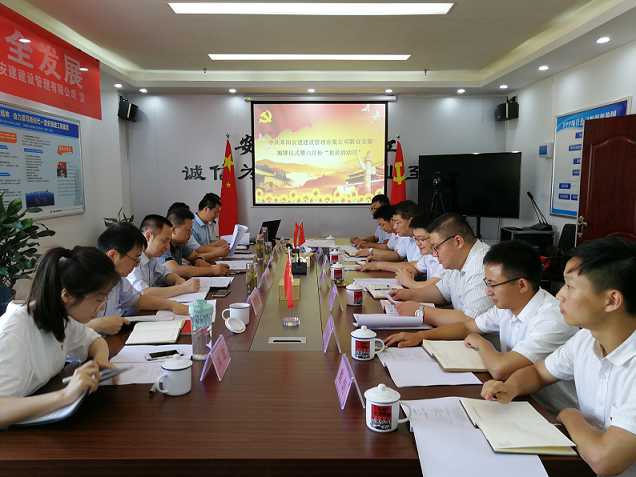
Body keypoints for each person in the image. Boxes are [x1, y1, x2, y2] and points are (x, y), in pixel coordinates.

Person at [481, 237, 636, 476]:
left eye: (570, 287)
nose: (560, 295)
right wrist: (510, 387)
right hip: (581, 459)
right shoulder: (586, 339)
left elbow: (604, 460)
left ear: (612, 300)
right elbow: (538, 372)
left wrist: (569, 415)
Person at [386, 240, 577, 382]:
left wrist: (481, 343)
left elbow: (501, 369)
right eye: (487, 283)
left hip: (548, 411)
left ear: (521, 285)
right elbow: (467, 327)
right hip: (513, 393)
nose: (487, 291)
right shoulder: (508, 305)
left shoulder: (552, 319)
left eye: (493, 284)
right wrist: (420, 336)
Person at [0, 247, 118, 427]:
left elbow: (95, 341)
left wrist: (101, 361)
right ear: (66, 295)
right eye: (99, 299)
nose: (102, 307)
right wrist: (65, 395)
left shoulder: (58, 317)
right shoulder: (14, 333)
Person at [390, 212, 492, 326]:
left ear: (458, 241)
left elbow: (472, 321)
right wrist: (407, 294)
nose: (434, 254)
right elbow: (440, 292)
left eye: (436, 247)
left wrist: (421, 311)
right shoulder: (458, 259)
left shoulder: (483, 266)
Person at [93, 222, 190, 334]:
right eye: (135, 258)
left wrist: (172, 305)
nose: (137, 264)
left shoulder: (118, 278)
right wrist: (97, 325)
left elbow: (137, 300)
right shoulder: (83, 279)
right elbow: (75, 328)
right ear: (113, 255)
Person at [127, 214, 200, 298]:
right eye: (164, 241)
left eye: (169, 242)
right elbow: (143, 293)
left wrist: (178, 280)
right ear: (148, 236)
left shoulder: (152, 257)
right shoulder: (132, 259)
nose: (168, 247)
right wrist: (183, 288)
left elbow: (165, 273)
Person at [161, 206, 230, 278]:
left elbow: (195, 256)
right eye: (188, 230)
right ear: (173, 230)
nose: (191, 234)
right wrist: (212, 270)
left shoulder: (180, 244)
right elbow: (175, 270)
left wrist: (203, 263)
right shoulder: (163, 244)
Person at [359, 200, 421, 266]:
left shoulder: (422, 239)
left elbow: (414, 267)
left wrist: (378, 264)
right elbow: (398, 255)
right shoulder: (407, 237)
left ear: (411, 221)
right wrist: (375, 256)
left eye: (398, 223)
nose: (394, 227)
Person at [395, 214, 444, 289]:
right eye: (416, 239)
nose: (418, 244)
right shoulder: (429, 255)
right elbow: (415, 267)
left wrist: (408, 282)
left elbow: (433, 287)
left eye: (422, 239)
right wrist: (411, 272)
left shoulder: (445, 258)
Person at [187, 193, 230, 259]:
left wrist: (218, 243)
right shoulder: (190, 225)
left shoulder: (208, 222)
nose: (217, 216)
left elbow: (208, 244)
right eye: (215, 212)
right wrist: (217, 248)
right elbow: (197, 250)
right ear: (206, 209)